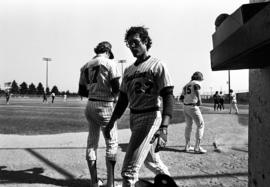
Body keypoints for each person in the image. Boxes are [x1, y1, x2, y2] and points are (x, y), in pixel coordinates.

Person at [105, 26, 174, 187]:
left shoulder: (157, 64)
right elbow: (122, 101)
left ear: (145, 41)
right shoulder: (128, 71)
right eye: (129, 44)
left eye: (135, 42)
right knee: (153, 162)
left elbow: (168, 96)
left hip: (150, 117)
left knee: (129, 171)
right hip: (134, 118)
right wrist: (111, 121)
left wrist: (164, 127)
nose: (132, 46)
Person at [78, 41, 121, 187]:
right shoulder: (110, 62)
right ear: (108, 51)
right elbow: (116, 88)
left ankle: (94, 182)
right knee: (112, 143)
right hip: (105, 105)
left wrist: (94, 88)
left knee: (92, 143)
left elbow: (81, 91)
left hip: (90, 104)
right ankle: (111, 184)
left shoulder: (85, 65)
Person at [180, 71, 206, 154]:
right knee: (200, 125)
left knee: (188, 126)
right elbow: (197, 90)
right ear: (198, 77)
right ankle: (197, 147)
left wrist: (187, 99)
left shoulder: (186, 85)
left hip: (185, 106)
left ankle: (187, 146)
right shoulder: (196, 83)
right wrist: (199, 100)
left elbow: (181, 98)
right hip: (193, 107)